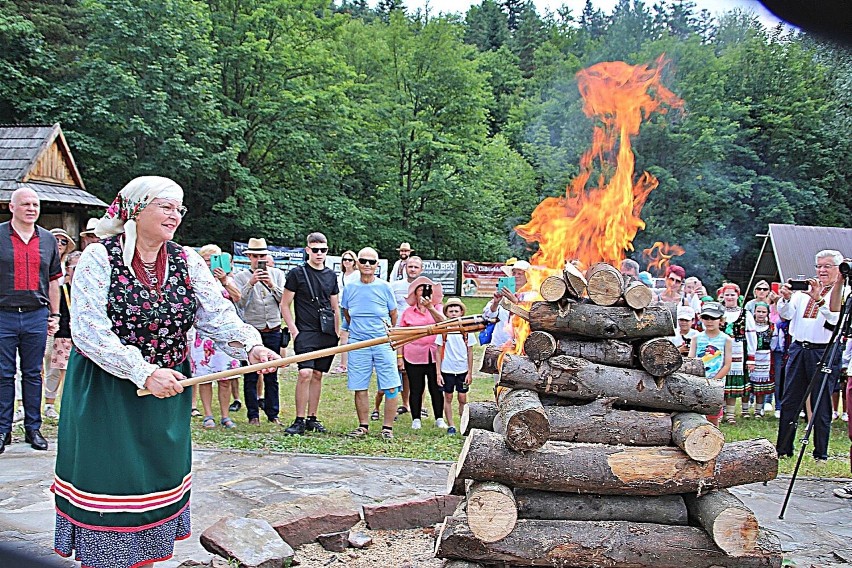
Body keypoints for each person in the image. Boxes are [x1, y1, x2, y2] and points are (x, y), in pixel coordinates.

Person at [52, 176, 280, 567]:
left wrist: (251, 345)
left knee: (156, 478)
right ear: (137, 209)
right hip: (108, 389)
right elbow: (89, 330)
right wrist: (142, 372)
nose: (175, 215)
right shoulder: (99, 258)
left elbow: (217, 315)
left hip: (169, 387)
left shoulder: (186, 260)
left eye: (179, 208)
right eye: (166, 206)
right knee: (113, 480)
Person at [0, 187, 61, 454]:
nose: (31, 209)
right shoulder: (0, 235)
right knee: (3, 374)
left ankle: (33, 428)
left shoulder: (47, 240)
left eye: (35, 204)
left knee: (33, 373)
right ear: (12, 207)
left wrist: (55, 315)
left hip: (37, 315)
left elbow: (54, 282)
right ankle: (3, 429)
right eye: (25, 204)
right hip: (3, 314)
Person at [775, 249, 842, 462]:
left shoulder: (842, 292)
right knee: (790, 399)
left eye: (827, 266)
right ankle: (783, 448)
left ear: (838, 269)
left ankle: (820, 452)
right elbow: (787, 315)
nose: (822, 270)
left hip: (823, 349)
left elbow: (834, 322)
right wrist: (784, 299)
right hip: (799, 348)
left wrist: (819, 300)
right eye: (819, 266)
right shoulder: (803, 291)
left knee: (821, 401)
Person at [281, 232, 340, 435]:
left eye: (323, 250)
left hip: (326, 332)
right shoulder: (297, 273)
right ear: (307, 250)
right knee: (304, 373)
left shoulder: (331, 275)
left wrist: (338, 331)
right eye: (315, 250)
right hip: (305, 331)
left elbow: (335, 306)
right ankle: (299, 419)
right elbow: (285, 304)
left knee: (317, 375)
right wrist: (294, 330)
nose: (319, 254)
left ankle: (312, 418)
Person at [340, 247, 400, 441]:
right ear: (357, 263)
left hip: (383, 341)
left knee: (391, 386)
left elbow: (393, 314)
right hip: (358, 342)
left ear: (377, 266)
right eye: (363, 261)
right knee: (360, 386)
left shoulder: (384, 287)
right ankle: (363, 426)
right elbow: (346, 312)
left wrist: (388, 334)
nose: (367, 265)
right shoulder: (350, 287)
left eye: (371, 262)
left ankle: (387, 428)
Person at [232, 238, 287, 425]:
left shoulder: (278, 274)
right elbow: (239, 302)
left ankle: (273, 414)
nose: (258, 260)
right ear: (248, 257)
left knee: (272, 374)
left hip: (272, 329)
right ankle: (253, 415)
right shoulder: (240, 277)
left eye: (262, 256)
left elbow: (284, 300)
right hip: (250, 333)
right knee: (250, 375)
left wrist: (271, 284)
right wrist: (251, 283)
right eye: (255, 256)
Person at [189, 244, 243, 429]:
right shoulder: (195, 280)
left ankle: (225, 415)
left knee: (226, 377)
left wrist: (224, 280)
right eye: (206, 260)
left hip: (224, 334)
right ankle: (208, 414)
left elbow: (238, 297)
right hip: (203, 335)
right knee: (204, 378)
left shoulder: (228, 279)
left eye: (214, 260)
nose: (210, 264)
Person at [399, 276, 445, 430]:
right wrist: (400, 357)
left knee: (436, 388)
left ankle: (439, 418)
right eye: (421, 290)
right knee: (416, 387)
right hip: (413, 355)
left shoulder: (438, 308)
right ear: (416, 294)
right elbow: (401, 335)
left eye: (427, 290)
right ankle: (416, 418)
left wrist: (430, 307)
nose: (424, 293)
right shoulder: (407, 313)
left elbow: (445, 323)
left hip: (435, 355)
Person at [382, 255, 425, 418]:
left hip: (418, 333)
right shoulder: (394, 286)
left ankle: (417, 406)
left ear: (421, 270)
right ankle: (403, 403)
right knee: (396, 368)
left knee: (416, 371)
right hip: (398, 332)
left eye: (416, 267)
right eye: (410, 266)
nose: (412, 269)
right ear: (405, 268)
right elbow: (389, 307)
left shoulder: (425, 285)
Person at [43, 251, 82, 420]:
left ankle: (71, 406)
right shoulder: (61, 290)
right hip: (63, 335)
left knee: (73, 373)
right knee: (57, 371)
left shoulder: (87, 289)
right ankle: (50, 404)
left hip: (82, 337)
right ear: (67, 269)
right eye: (74, 267)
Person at [483, 259, 534, 378]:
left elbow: (532, 317)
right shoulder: (504, 293)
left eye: (520, 273)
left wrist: (515, 301)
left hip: (520, 346)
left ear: (528, 277)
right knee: (498, 380)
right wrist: (495, 303)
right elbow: (487, 316)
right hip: (499, 344)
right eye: (514, 273)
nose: (516, 276)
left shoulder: (533, 295)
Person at [435, 298, 475, 435]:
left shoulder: (467, 329)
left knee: (463, 398)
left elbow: (470, 352)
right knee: (448, 397)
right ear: (446, 313)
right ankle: (451, 425)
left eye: (456, 311)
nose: (453, 313)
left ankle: (464, 424)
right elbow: (438, 351)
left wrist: (470, 372)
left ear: (461, 312)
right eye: (450, 311)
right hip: (447, 369)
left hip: (462, 370)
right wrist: (438, 373)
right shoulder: (443, 329)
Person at [689, 302, 733, 427]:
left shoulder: (726, 339)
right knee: (696, 415)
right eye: (706, 318)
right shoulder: (696, 338)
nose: (709, 321)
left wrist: (714, 381)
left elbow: (727, 365)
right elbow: (691, 360)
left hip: (716, 383)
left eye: (713, 318)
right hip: (698, 382)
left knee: (713, 417)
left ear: (721, 320)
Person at [718, 283, 756, 423]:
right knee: (720, 380)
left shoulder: (745, 314)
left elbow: (752, 335)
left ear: (737, 296)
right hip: (720, 351)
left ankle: (731, 414)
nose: (729, 297)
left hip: (739, 350)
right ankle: (720, 412)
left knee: (733, 381)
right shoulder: (719, 312)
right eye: (726, 294)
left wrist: (751, 357)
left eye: (732, 294)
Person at [332, 250, 359, 374]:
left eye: (350, 260)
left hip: (354, 308)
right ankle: (345, 364)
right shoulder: (341, 275)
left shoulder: (357, 275)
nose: (347, 262)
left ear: (354, 262)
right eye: (345, 260)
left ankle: (344, 364)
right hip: (342, 306)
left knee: (346, 335)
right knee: (345, 335)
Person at [748, 302, 775, 418]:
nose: (760, 314)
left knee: (762, 385)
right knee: (749, 383)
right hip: (752, 356)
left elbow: (774, 343)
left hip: (765, 357)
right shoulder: (750, 325)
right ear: (754, 312)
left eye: (763, 312)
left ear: (768, 313)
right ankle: (745, 409)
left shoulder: (771, 327)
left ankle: (759, 409)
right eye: (758, 311)